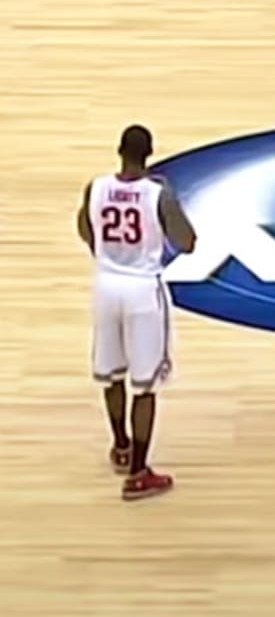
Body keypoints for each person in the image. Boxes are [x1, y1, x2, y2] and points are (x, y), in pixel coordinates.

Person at [75, 125, 196, 501]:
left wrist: (107, 252)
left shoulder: (94, 188)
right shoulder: (158, 194)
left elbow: (84, 228)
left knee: (112, 375)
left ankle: (121, 446)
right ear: (150, 154)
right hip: (143, 290)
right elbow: (187, 242)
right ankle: (139, 472)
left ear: (118, 150)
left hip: (107, 285)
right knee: (144, 386)